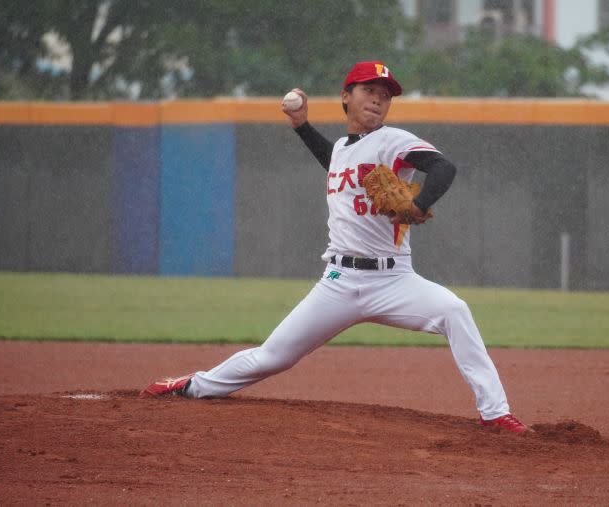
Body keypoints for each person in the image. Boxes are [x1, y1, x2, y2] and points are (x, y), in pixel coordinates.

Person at [141, 61, 529, 433]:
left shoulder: (393, 141)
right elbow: (335, 160)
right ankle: (194, 386)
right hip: (339, 282)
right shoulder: (344, 147)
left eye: (385, 94)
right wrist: (301, 126)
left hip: (393, 279)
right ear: (347, 97)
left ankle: (495, 412)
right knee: (274, 356)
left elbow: (444, 168)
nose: (378, 99)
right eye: (369, 91)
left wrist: (419, 203)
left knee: (454, 311)